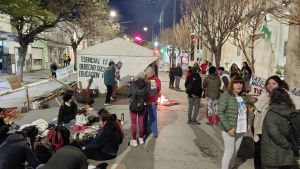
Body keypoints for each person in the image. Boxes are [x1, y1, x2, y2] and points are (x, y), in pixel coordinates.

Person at [253, 76, 300, 169]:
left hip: (279, 131)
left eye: (274, 83)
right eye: (269, 83)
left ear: (279, 85)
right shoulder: (263, 96)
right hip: (261, 130)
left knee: (277, 156)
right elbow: (256, 113)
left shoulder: (285, 96)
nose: (270, 85)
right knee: (258, 153)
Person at [218, 75, 252, 169]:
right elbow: (220, 112)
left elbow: (246, 111)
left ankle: (230, 167)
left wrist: (249, 123)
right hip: (230, 128)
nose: (239, 85)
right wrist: (228, 128)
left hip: (241, 127)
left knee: (236, 150)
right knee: (229, 151)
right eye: (236, 83)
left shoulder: (243, 96)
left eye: (241, 83)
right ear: (232, 84)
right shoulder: (227, 95)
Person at [260, 88, 294, 169]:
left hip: (273, 153)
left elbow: (274, 133)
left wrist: (287, 145)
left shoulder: (272, 113)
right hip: (286, 152)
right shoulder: (291, 111)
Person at [128, 72, 148, 146]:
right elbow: (151, 93)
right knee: (141, 122)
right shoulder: (147, 84)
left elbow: (128, 93)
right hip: (142, 105)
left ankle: (134, 141)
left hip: (133, 105)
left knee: (133, 123)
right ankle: (141, 139)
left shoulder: (133, 83)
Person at [144, 67, 161, 137]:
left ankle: (154, 131)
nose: (148, 75)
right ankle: (145, 130)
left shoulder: (156, 80)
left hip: (152, 102)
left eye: (149, 73)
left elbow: (158, 90)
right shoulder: (145, 79)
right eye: (147, 73)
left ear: (152, 73)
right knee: (144, 117)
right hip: (145, 102)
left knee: (152, 117)